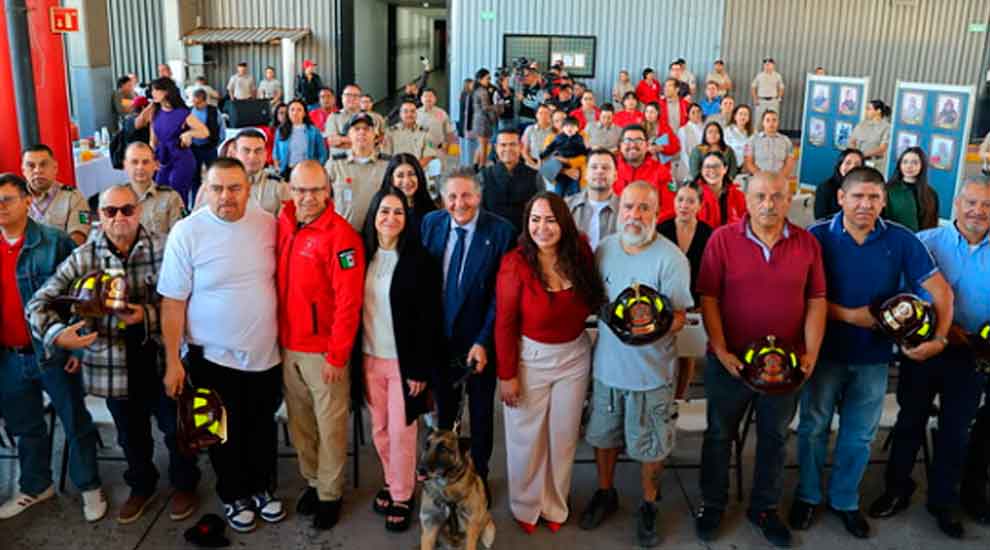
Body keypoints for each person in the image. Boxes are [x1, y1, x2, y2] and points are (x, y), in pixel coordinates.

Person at [793, 167, 954, 539]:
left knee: (859, 434)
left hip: (874, 357)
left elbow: (941, 292)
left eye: (874, 198)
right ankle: (808, 495)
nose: (866, 204)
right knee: (814, 428)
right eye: (858, 196)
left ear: (884, 200)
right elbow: (799, 296)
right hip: (823, 353)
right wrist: (850, 315)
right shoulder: (815, 236)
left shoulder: (901, 240)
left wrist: (939, 338)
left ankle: (845, 500)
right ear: (841, 198)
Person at [28, 182, 201, 525]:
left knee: (178, 427)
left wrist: (146, 315)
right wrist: (58, 335)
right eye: (110, 211)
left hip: (161, 356)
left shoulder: (166, 247)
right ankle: (141, 486)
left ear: (139, 211)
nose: (119, 217)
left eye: (127, 209)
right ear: (98, 218)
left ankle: (185, 484)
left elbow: (190, 299)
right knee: (129, 434)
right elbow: (38, 304)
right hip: (113, 364)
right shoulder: (83, 258)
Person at [694, 171, 827, 547]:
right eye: (760, 196)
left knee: (774, 437)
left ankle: (765, 508)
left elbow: (816, 300)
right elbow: (709, 298)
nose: (768, 204)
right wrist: (720, 350)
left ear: (790, 201)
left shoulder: (807, 244)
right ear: (746, 199)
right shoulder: (722, 240)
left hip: (783, 368)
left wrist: (811, 352)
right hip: (730, 363)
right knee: (719, 435)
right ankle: (712, 504)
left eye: (777, 197)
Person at [158, 158, 284, 534]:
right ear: (204, 189)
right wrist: (172, 362)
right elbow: (172, 302)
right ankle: (233, 495)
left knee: (261, 427)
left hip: (265, 353)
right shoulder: (187, 232)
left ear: (249, 188)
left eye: (234, 188)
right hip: (208, 356)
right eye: (217, 188)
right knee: (219, 431)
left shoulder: (268, 224)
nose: (225, 196)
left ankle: (263, 488)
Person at [869, 177, 989, 538]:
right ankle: (896, 489)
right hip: (923, 350)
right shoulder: (926, 242)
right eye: (971, 203)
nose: (978, 212)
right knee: (910, 422)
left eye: (986, 206)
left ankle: (943, 501)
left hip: (972, 355)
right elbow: (899, 294)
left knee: (956, 430)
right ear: (956, 205)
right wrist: (935, 329)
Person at [579, 181, 692, 548]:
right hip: (608, 368)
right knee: (603, 436)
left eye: (644, 208)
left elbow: (678, 317)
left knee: (651, 446)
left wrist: (649, 328)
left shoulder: (671, 257)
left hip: (651, 372)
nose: (635, 215)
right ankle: (606, 491)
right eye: (629, 207)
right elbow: (595, 302)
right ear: (619, 209)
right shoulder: (604, 250)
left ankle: (648, 503)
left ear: (657, 213)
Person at [496, 192, 604, 534]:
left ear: (564, 223)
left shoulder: (580, 252)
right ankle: (526, 506)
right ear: (527, 224)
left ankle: (555, 505)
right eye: (535, 220)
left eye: (550, 220)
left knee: (563, 437)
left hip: (574, 356)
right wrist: (507, 374)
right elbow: (504, 323)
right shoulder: (515, 263)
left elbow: (594, 298)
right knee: (526, 438)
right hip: (531, 359)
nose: (542, 228)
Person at [0, 173, 105, 523]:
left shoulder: (53, 242)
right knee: (25, 426)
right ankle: (36, 486)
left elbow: (80, 298)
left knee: (75, 421)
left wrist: (76, 350)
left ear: (27, 202)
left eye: (7, 200)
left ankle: (89, 486)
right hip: (10, 356)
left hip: (52, 352)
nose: (1, 208)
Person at [274, 160, 365, 530]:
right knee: (301, 424)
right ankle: (312, 480)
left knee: (330, 426)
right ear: (289, 191)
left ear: (327, 190)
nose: (307, 198)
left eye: (315, 190)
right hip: (286, 345)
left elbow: (349, 302)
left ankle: (330, 493)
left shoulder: (342, 237)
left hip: (323, 351)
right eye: (300, 190)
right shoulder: (282, 223)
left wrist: (337, 354)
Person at [421, 166, 516, 508]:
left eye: (466, 195)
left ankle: (479, 476)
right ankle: (444, 477)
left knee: (480, 414)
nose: (459, 203)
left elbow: (500, 296)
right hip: (440, 340)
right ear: (443, 198)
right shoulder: (430, 224)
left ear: (478, 196)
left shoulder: (501, 231)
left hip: (479, 342)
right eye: (452, 196)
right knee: (443, 414)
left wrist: (484, 339)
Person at [358, 186, 444, 531]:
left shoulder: (418, 259)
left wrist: (420, 368)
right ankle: (393, 480)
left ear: (407, 219)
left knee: (402, 431)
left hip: (403, 363)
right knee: (379, 429)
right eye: (384, 211)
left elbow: (430, 318)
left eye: (398, 212)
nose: (390, 218)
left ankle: (403, 495)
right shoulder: (362, 254)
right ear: (374, 216)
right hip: (368, 357)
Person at [658, 181, 713, 398]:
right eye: (680, 200)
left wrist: (702, 304)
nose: (684, 205)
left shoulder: (708, 234)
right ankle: (662, 395)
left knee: (686, 353)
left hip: (694, 302)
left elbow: (711, 272)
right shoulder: (662, 229)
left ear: (699, 205)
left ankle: (679, 398)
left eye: (690, 201)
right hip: (666, 299)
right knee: (663, 351)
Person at [196, 129, 290, 218]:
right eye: (246, 150)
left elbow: (287, 226)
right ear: (234, 154)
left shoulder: (279, 187)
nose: (252, 156)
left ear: (265, 154)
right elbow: (197, 221)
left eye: (258, 151)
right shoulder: (214, 184)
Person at [147, 77, 209, 204]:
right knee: (159, 193)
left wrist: (189, 133)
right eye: (152, 90)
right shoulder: (155, 111)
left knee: (178, 196)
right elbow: (152, 141)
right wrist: (152, 159)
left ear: (166, 92)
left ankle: (181, 221)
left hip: (181, 159)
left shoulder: (182, 113)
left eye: (155, 90)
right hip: (162, 159)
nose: (152, 93)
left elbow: (205, 132)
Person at [326, 113, 391, 231]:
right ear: (349, 135)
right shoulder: (335, 164)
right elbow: (324, 198)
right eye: (356, 129)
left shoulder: (387, 165)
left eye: (367, 129)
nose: (362, 132)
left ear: (375, 135)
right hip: (344, 233)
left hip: (379, 235)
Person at [479, 129, 544, 238]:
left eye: (512, 144)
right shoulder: (484, 176)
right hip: (491, 238)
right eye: (503, 145)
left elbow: (540, 212)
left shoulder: (535, 176)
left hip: (524, 239)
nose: (508, 149)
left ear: (521, 146)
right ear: (496, 148)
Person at [21, 144, 90, 244]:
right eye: (31, 166)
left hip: (62, 257)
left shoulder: (73, 197)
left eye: (43, 164)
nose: (37, 170)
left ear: (55, 168)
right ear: (23, 171)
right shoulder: (15, 199)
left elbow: (79, 236)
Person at [121, 142, 185, 237]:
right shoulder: (117, 198)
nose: (140, 167)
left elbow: (179, 239)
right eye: (134, 162)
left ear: (155, 165)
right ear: (125, 165)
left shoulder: (170, 198)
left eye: (145, 162)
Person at [612, 125, 675, 221]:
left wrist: (647, 223)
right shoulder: (610, 168)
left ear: (647, 146)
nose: (633, 145)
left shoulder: (662, 171)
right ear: (620, 146)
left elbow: (669, 208)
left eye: (638, 141)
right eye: (627, 140)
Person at [567, 148, 620, 250]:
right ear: (586, 174)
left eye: (605, 168)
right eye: (594, 167)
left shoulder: (625, 209)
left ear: (615, 175)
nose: (599, 171)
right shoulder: (566, 206)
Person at [883, 146, 939, 231]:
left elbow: (933, 225)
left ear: (922, 166)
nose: (909, 166)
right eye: (905, 162)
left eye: (915, 163)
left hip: (922, 240)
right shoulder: (889, 190)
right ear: (900, 165)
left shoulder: (931, 194)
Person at [380, 152, 437, 232]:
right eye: (400, 176)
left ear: (419, 176)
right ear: (392, 180)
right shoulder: (380, 209)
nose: (406, 181)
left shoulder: (431, 214)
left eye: (411, 174)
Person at [274, 99, 328, 178]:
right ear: (288, 113)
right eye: (292, 110)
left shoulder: (313, 131)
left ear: (304, 113)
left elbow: (322, 153)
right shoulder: (281, 130)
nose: (295, 113)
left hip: (308, 171)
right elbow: (276, 152)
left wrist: (317, 168)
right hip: (287, 170)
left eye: (299, 110)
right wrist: (277, 167)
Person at [540, 116, 589, 197]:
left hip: (574, 168)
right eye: (557, 121)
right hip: (559, 169)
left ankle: (574, 206)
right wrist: (543, 155)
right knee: (559, 191)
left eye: (572, 126)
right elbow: (549, 150)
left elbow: (584, 155)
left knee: (575, 191)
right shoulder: (557, 138)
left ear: (577, 128)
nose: (569, 128)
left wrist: (588, 150)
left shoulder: (580, 138)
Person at [695, 152, 746, 228]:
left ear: (725, 169)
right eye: (707, 166)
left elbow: (746, 225)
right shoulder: (693, 194)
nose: (712, 170)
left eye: (716, 166)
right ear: (702, 170)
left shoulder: (738, 195)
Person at [188, 89, 223, 200]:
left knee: (215, 175)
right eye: (193, 102)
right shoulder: (189, 112)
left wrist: (216, 144)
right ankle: (195, 202)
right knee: (194, 178)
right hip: (193, 149)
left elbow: (222, 128)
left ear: (205, 101)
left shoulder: (214, 111)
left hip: (210, 148)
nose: (195, 105)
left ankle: (214, 199)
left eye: (198, 103)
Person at [383, 100, 438, 168]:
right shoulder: (390, 132)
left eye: (412, 111)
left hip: (418, 172)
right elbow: (386, 156)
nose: (409, 114)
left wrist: (413, 170)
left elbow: (428, 156)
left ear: (416, 113)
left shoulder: (425, 132)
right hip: (396, 173)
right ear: (400, 114)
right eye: (405, 111)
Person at [814, 149, 865, 220]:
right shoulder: (825, 187)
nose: (852, 167)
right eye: (848, 163)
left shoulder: (867, 189)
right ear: (840, 165)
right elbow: (820, 219)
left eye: (857, 164)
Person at [744, 111, 795, 178]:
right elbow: (748, 163)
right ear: (763, 122)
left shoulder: (786, 140)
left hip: (780, 180)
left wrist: (780, 177)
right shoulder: (752, 140)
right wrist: (762, 177)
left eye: (774, 120)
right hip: (759, 180)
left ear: (778, 122)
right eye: (767, 120)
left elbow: (789, 164)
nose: (771, 123)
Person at [417, 87, 457, 167]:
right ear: (421, 99)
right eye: (425, 96)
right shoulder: (415, 113)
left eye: (431, 96)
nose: (428, 98)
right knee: (421, 174)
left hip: (438, 150)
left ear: (435, 99)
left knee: (437, 175)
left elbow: (449, 132)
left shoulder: (442, 113)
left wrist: (447, 149)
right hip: (420, 151)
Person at [323, 84, 363, 158]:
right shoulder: (333, 117)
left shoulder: (369, 117)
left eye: (355, 95)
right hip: (339, 164)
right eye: (348, 95)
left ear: (360, 99)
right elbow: (332, 142)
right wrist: (361, 141)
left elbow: (375, 142)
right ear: (342, 97)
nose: (352, 98)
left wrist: (342, 139)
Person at [849, 100, 891, 169]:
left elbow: (882, 148)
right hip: (858, 162)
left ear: (878, 111)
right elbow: (852, 141)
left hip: (875, 163)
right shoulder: (861, 124)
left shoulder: (887, 127)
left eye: (869, 109)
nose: (866, 111)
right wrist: (855, 155)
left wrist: (862, 155)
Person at [471, 69, 498, 167]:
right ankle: (482, 167)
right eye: (488, 78)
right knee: (484, 146)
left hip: (479, 120)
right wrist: (497, 106)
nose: (489, 81)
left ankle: (475, 165)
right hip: (483, 121)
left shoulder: (477, 89)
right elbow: (486, 107)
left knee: (481, 144)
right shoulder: (483, 91)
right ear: (480, 79)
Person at [641, 103, 681, 169]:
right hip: (645, 165)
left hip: (662, 165)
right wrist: (647, 149)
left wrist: (661, 148)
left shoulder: (665, 127)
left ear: (658, 113)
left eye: (652, 112)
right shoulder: (640, 127)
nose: (648, 114)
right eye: (647, 111)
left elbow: (676, 146)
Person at [751, 58, 784, 131]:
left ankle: (773, 135)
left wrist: (779, 98)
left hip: (773, 100)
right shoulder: (759, 76)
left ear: (773, 65)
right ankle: (756, 136)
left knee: (773, 119)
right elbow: (753, 87)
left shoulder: (777, 76)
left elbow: (781, 87)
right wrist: (755, 99)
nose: (767, 66)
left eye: (769, 64)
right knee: (758, 120)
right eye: (766, 65)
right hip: (761, 100)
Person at [676, 104, 705, 182]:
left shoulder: (705, 128)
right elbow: (683, 152)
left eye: (698, 111)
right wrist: (693, 167)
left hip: (703, 167)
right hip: (687, 167)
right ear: (688, 115)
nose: (696, 114)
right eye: (693, 112)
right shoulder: (683, 130)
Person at [521, 104, 555, 169]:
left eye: (546, 113)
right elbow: (524, 151)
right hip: (532, 164)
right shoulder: (530, 129)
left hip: (549, 166)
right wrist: (534, 165)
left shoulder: (554, 131)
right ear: (536, 115)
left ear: (550, 115)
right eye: (540, 113)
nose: (543, 116)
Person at [725, 104, 754, 171]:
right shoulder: (727, 131)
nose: (743, 117)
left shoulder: (753, 133)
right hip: (730, 165)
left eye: (746, 114)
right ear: (735, 116)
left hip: (747, 166)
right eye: (740, 114)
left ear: (749, 118)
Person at [457, 78, 476, 167]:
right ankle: (469, 168)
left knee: (464, 149)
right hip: (468, 126)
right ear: (468, 85)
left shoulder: (462, 94)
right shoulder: (469, 96)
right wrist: (469, 128)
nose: (474, 85)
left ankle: (464, 166)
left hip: (462, 126)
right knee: (470, 150)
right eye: (472, 84)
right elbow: (467, 113)